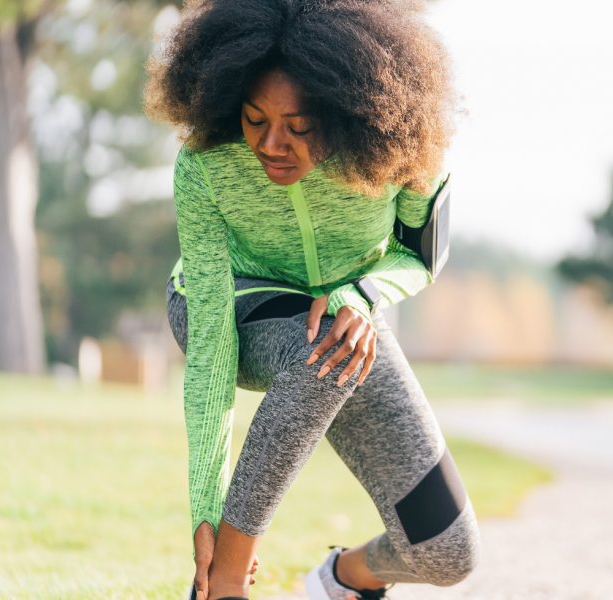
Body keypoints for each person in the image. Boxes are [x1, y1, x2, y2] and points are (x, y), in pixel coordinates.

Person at [143, 1, 479, 598]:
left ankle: (343, 579)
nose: (272, 145)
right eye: (253, 120)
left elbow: (421, 253)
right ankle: (224, 583)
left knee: (446, 551)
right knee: (321, 344)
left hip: (347, 311)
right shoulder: (205, 166)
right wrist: (206, 505)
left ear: (348, 112)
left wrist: (364, 292)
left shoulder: (401, 150)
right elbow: (213, 341)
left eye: (300, 128)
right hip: (224, 304)